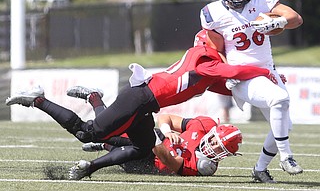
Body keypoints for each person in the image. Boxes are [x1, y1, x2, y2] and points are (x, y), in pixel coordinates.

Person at [6, 30, 273, 180]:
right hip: (140, 97)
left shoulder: (209, 71)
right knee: (88, 133)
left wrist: (252, 85)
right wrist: (267, 72)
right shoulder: (207, 61)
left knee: (141, 147)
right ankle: (38, 99)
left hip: (147, 104)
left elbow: (229, 83)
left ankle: (91, 163)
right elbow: (235, 73)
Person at [200, 0, 304, 183]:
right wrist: (227, 73)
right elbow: (215, 51)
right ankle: (287, 157)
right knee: (280, 98)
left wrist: (278, 21)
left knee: (285, 126)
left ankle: (260, 169)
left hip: (267, 71)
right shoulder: (214, 12)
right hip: (243, 75)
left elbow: (296, 19)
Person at [73, 112, 242, 178]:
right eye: (214, 141)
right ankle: (94, 98)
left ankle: (102, 147)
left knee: (128, 149)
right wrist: (167, 131)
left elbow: (169, 160)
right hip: (160, 138)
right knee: (108, 129)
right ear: (213, 132)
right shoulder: (204, 125)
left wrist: (153, 138)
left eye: (221, 149)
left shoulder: (205, 166)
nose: (213, 146)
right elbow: (165, 117)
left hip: (152, 159)